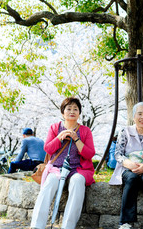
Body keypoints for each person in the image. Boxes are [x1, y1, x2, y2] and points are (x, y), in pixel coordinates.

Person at [30, 97, 96, 229]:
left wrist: (76, 139)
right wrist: (59, 137)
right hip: (56, 168)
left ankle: (68, 226)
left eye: (75, 109)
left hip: (78, 169)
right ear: (62, 112)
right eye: (69, 108)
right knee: (49, 183)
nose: (72, 111)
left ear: (79, 113)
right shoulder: (55, 127)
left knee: (78, 181)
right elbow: (48, 149)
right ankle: (37, 225)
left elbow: (89, 154)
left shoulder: (85, 131)